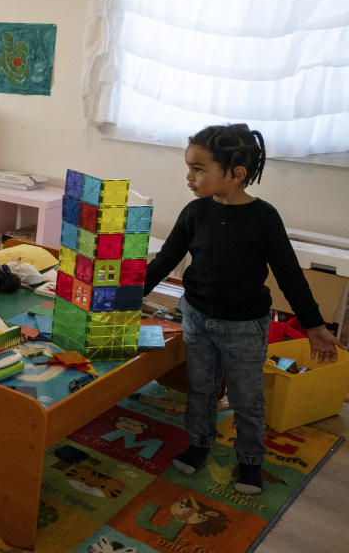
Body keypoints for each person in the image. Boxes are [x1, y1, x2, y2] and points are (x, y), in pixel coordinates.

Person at [143, 123, 341, 495]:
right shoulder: (194, 212)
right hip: (197, 320)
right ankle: (198, 445)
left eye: (198, 169)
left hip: (245, 328)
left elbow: (289, 275)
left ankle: (250, 463)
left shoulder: (263, 218)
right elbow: (164, 260)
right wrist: (129, 295)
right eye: (189, 167)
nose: (189, 177)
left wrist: (313, 324)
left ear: (236, 175)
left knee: (246, 399)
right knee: (200, 390)